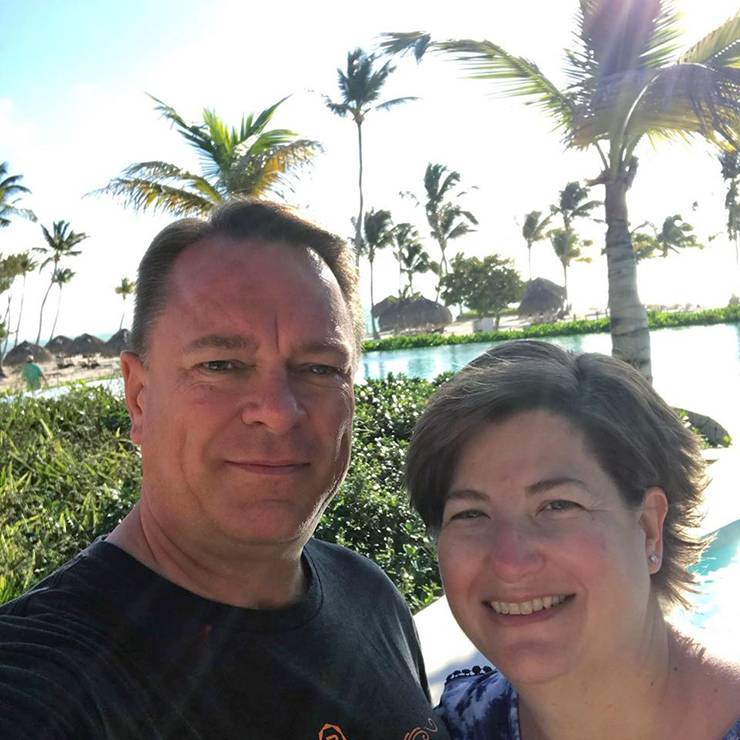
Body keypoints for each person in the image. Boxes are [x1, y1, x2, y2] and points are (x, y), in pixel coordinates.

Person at [0, 200, 448, 740]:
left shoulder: (372, 597)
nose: (279, 410)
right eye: (220, 365)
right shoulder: (49, 675)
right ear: (139, 397)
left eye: (320, 368)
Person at [405, 340, 740, 740]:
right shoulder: (454, 728)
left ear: (649, 527)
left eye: (557, 506)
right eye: (471, 514)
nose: (510, 561)